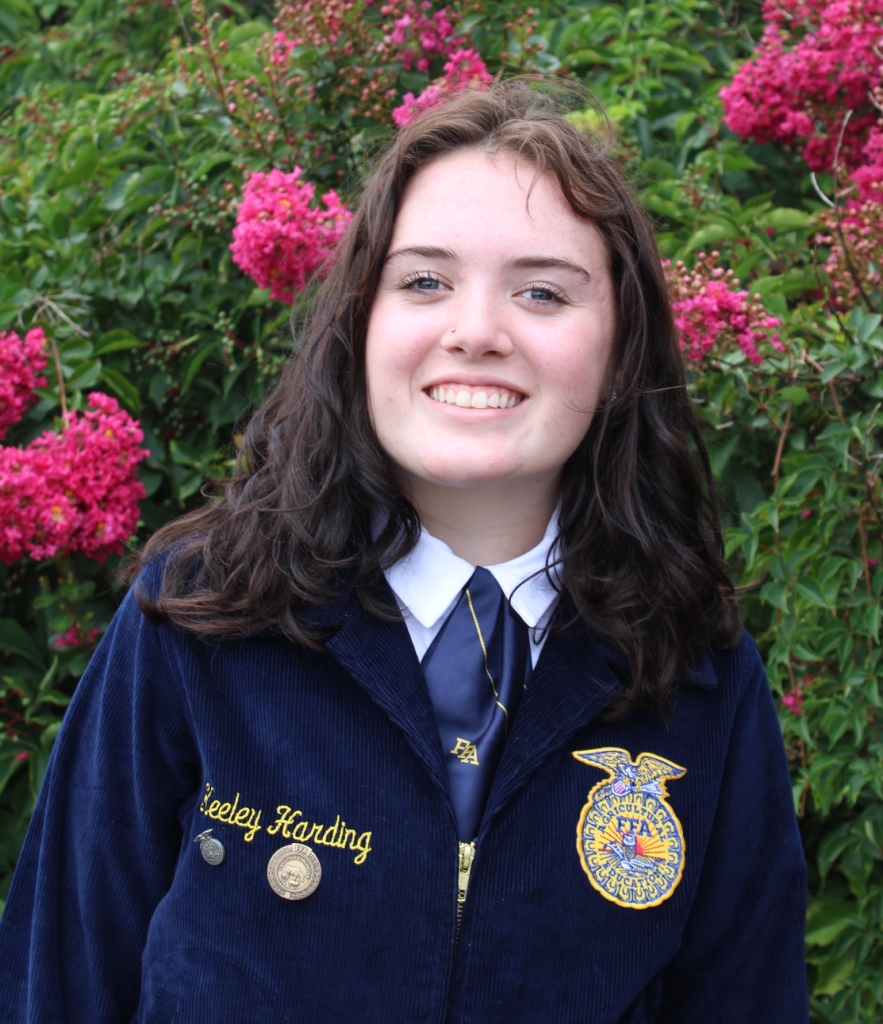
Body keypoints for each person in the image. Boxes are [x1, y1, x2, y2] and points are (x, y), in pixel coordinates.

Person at [0, 82, 808, 1022]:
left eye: (542, 291)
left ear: (622, 350)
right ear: (359, 324)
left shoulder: (698, 676)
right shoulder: (197, 620)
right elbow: (53, 981)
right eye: (424, 280)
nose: (475, 332)